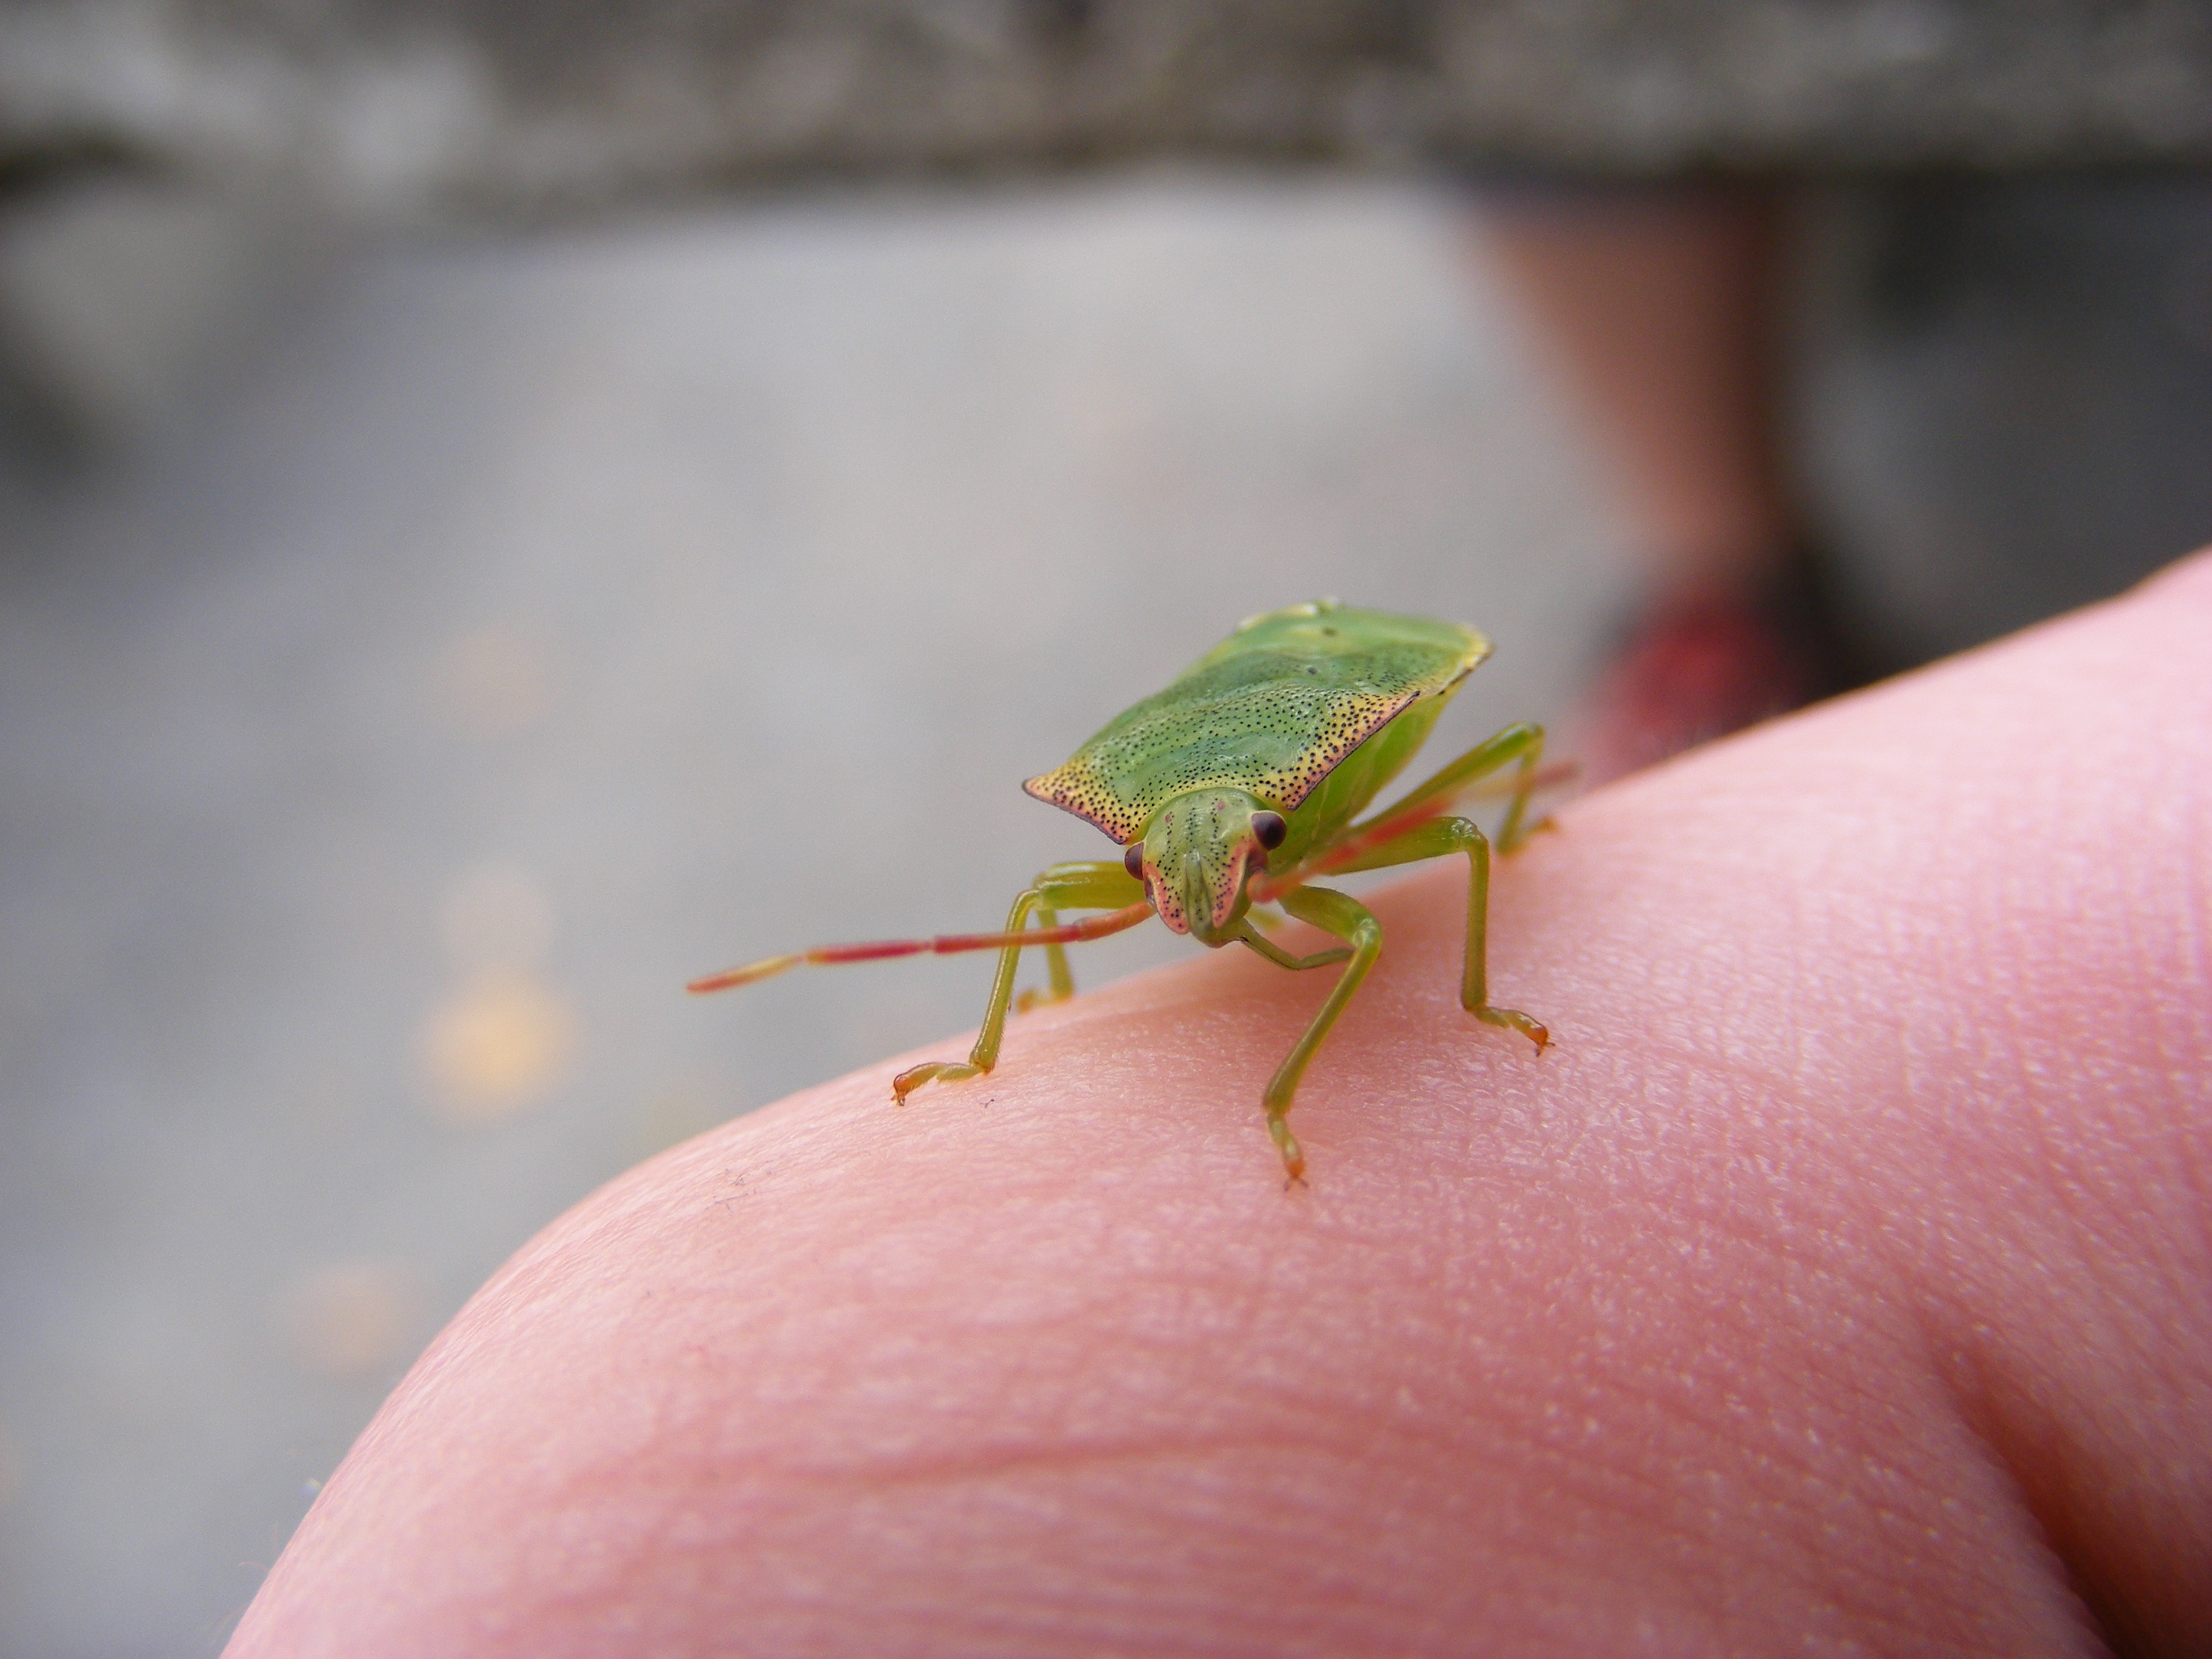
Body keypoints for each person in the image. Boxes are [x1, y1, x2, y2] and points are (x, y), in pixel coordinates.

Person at [225, 549, 2211, 1655]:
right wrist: (998, 1049)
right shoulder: (1123, 861)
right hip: (1231, 721)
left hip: (1341, 698)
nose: (1196, 904)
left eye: (1233, 862)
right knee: (1039, 919)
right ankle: (997, 1046)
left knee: (1477, 831)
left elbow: (1408, 871)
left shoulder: (1327, 843)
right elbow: (1085, 895)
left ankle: (1456, 935)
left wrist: (1382, 1040)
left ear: (1276, 827)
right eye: (1163, 869)